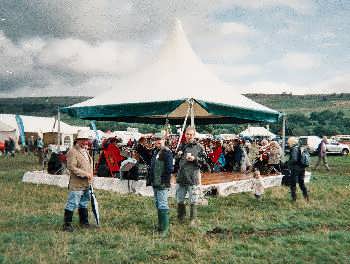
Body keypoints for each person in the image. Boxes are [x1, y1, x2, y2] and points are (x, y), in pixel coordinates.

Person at [175, 126, 207, 226]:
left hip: (193, 177)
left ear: (194, 135)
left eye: (191, 134)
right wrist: (177, 156)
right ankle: (181, 217)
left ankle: (193, 220)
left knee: (193, 200)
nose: (189, 136)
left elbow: (205, 162)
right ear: (185, 135)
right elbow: (175, 161)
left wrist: (195, 159)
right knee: (180, 199)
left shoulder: (199, 147)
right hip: (181, 177)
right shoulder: (181, 146)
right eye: (187, 134)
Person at [63, 130, 94, 232]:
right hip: (77, 183)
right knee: (72, 203)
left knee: (84, 203)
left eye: (87, 140)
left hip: (87, 183)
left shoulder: (85, 151)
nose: (86, 142)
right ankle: (66, 225)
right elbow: (71, 167)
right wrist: (86, 174)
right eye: (84, 140)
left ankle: (84, 223)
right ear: (79, 140)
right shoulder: (72, 152)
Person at [148, 133, 173, 236]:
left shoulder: (167, 153)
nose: (158, 141)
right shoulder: (155, 152)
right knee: (158, 204)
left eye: (160, 139)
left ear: (164, 140)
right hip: (155, 182)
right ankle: (160, 225)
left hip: (162, 182)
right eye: (156, 139)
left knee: (163, 204)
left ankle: (164, 230)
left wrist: (161, 176)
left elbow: (170, 168)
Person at [287, 137, 309, 202]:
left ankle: (294, 199)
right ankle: (306, 197)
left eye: (288, 142)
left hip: (295, 168)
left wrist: (288, 163)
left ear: (291, 142)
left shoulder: (294, 149)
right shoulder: (299, 147)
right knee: (301, 183)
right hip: (302, 168)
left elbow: (294, 159)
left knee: (293, 184)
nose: (288, 144)